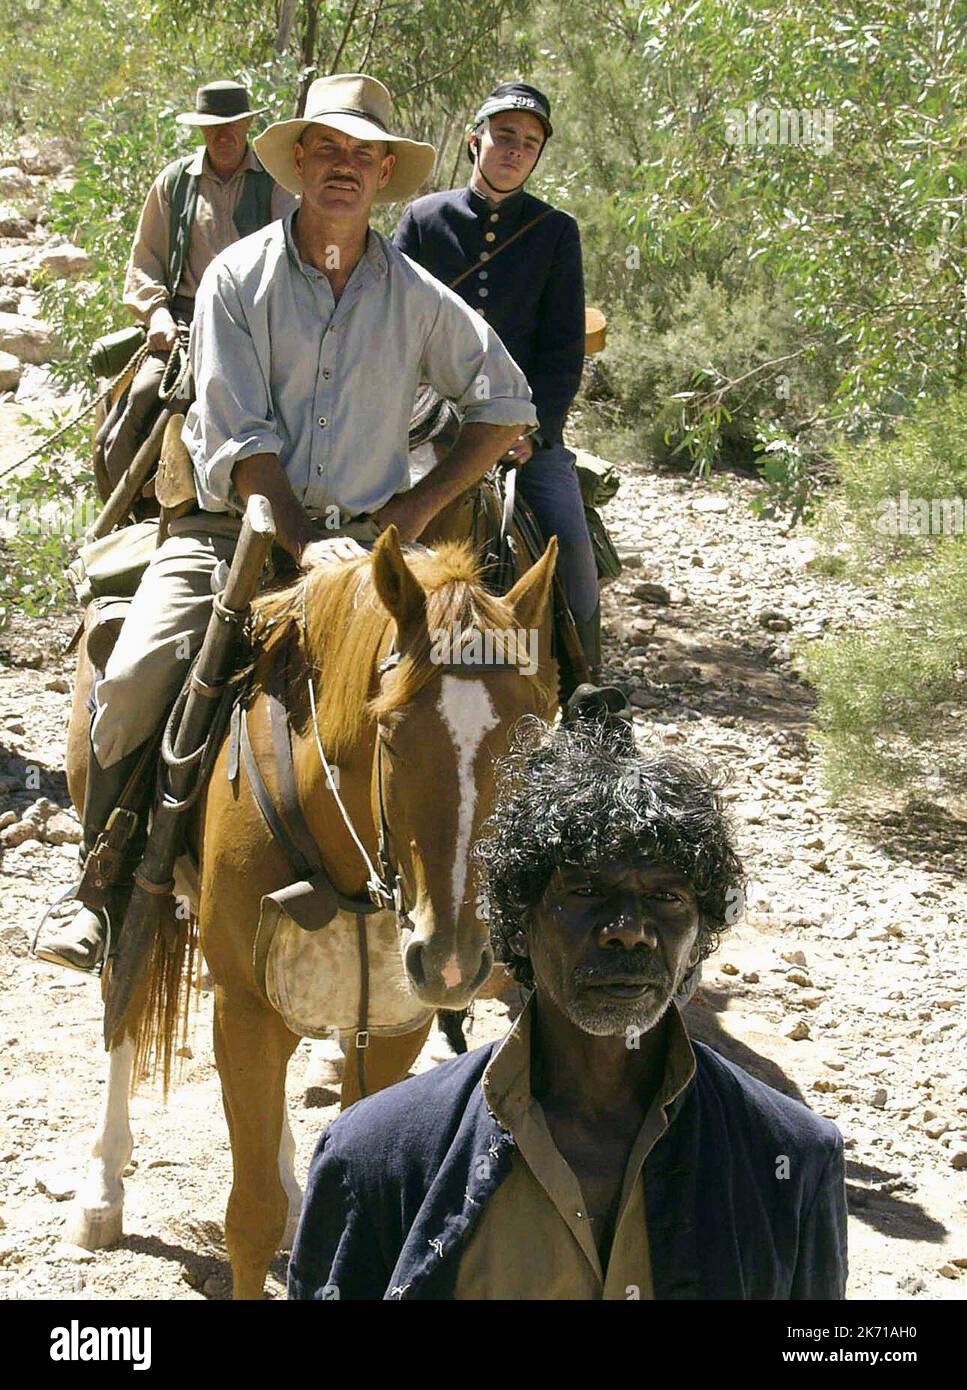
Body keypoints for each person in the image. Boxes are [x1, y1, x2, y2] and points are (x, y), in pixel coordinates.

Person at [35, 73, 537, 973]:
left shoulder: (416, 294)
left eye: (363, 155)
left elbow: (506, 404)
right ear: (299, 162)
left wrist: (410, 511)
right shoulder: (237, 277)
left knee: (485, 685)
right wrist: (308, 543)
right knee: (140, 677)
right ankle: (106, 886)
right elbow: (239, 435)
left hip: (374, 550)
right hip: (236, 531)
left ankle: (473, 898)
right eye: (328, 150)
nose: (344, 168)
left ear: (386, 173)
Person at [289, 707, 848, 1300]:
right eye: (585, 891)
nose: (630, 929)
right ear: (518, 925)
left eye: (667, 896)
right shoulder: (377, 1155)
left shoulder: (792, 1158)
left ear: (698, 938)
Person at [394, 82, 600, 684]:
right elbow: (394, 325)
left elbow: (562, 347)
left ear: (537, 157)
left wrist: (535, 432)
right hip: (425, 416)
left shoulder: (555, 231)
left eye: (529, 143)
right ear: (474, 139)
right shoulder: (423, 219)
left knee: (571, 545)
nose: (515, 150)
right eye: (505, 136)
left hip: (520, 425)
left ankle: (590, 694)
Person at [98, 80, 297, 488]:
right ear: (200, 130)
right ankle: (122, 507)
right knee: (143, 396)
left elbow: (296, 255)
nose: (222, 135)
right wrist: (156, 315)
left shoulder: (275, 182)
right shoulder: (175, 184)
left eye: (231, 125)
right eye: (212, 127)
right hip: (184, 321)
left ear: (247, 126)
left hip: (257, 322)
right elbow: (146, 260)